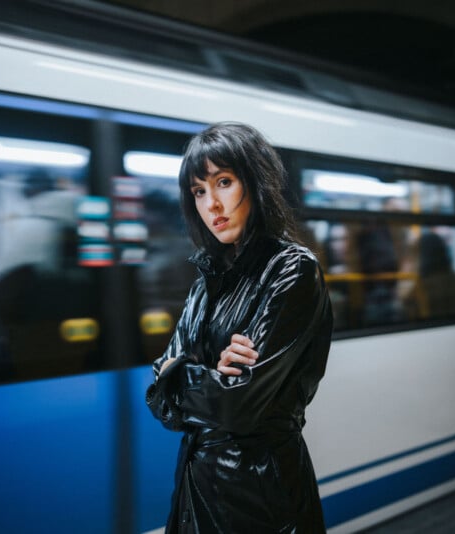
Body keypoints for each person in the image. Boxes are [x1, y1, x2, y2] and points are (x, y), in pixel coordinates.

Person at [145, 122, 333, 533]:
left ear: (256, 181)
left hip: (262, 503)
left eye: (224, 182)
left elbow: (237, 404)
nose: (212, 204)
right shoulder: (206, 280)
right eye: (198, 191)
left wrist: (176, 371)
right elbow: (159, 400)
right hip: (196, 494)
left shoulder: (292, 270)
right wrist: (197, 375)